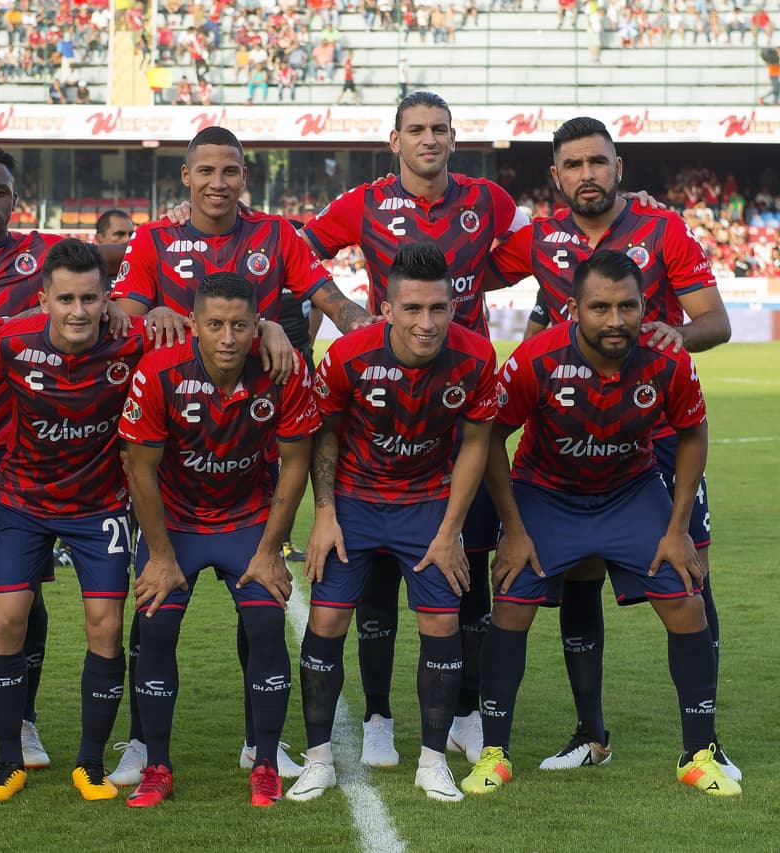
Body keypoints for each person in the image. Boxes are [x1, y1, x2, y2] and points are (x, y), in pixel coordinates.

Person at [108, 126, 371, 786]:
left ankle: (261, 743)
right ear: (186, 178)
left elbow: (329, 299)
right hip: (172, 456)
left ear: (245, 177)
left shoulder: (277, 237)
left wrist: (305, 320)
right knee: (155, 605)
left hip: (250, 451)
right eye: (206, 171)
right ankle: (142, 743)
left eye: (231, 170)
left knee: (255, 613)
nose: (218, 182)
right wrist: (157, 319)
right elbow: (119, 314)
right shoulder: (154, 238)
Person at [487, 116, 736, 779]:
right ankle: (590, 732)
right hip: (573, 436)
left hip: (655, 429)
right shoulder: (542, 241)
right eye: (574, 164)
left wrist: (670, 338)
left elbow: (715, 320)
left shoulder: (665, 232)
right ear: (557, 176)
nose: (587, 174)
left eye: (598, 161)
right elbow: (473, 279)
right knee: (577, 576)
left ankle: (707, 739)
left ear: (618, 165)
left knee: (689, 574)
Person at [300, 91, 525, 770]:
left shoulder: (490, 200)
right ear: (393, 139)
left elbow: (532, 260)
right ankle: (375, 714)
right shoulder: (362, 202)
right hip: (380, 389)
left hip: (461, 392)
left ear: (455, 139)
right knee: (372, 573)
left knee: (466, 562)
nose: (429, 138)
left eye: (440, 129)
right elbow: (300, 253)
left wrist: (542, 327)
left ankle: (463, 712)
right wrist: (330, 312)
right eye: (416, 129)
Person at [0, 144, 126, 774]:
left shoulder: (45, 255)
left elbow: (114, 270)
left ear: (17, 198)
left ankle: (26, 720)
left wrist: (124, 297)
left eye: (1, 192)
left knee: (23, 596)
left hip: (20, 454)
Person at [286, 242, 496, 804]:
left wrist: (450, 530)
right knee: (327, 621)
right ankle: (318, 760)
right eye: (412, 309)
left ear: (453, 307)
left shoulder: (476, 357)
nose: (425, 323)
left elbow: (476, 443)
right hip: (353, 498)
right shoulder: (347, 355)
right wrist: (325, 514)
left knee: (441, 626)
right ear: (386, 308)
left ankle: (432, 762)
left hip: (427, 501)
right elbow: (322, 432)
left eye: (437, 309)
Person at [119, 272, 319, 808]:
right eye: (215, 325)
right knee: (155, 626)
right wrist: (160, 556)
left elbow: (297, 462)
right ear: (193, 327)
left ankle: (267, 762)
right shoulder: (159, 372)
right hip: (176, 524)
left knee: (265, 621)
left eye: (239, 325)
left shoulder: (281, 370)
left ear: (259, 325)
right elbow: (140, 470)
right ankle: (156, 765)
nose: (227, 337)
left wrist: (270, 551)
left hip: (247, 519)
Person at [0, 240, 147, 803]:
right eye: (64, 298)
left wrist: (262, 328)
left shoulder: (133, 342)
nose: (77, 311)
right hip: (23, 503)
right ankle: (8, 763)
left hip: (100, 508)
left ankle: (90, 765)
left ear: (106, 299)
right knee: (4, 625)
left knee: (107, 627)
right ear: (43, 299)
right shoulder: (12, 343)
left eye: (89, 298)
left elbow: (211, 331)